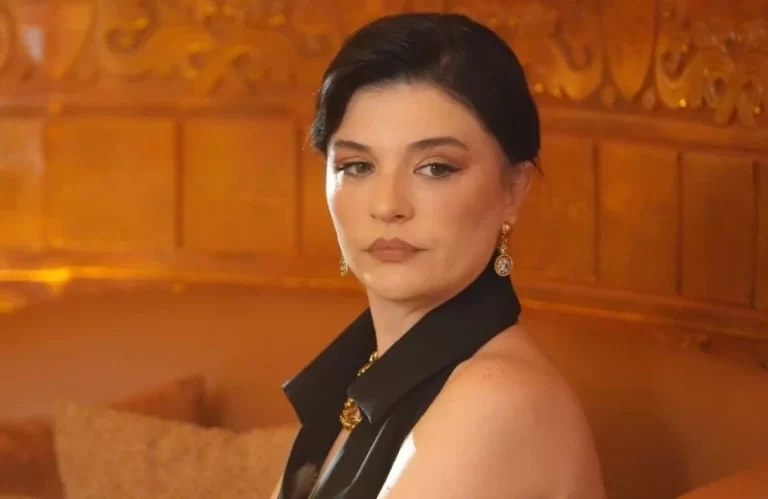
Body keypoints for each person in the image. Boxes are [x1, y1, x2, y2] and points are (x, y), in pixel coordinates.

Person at [270, 12, 606, 499]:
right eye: (357, 166)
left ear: (513, 189)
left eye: (435, 168)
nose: (387, 205)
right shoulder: (363, 372)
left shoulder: (496, 398)